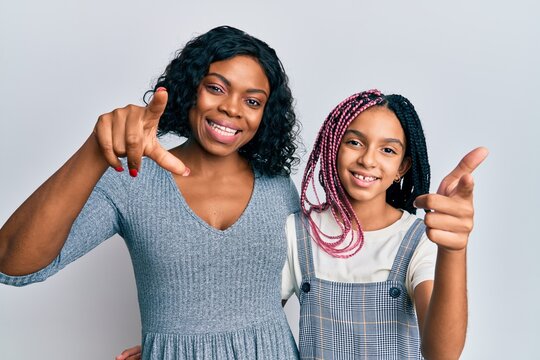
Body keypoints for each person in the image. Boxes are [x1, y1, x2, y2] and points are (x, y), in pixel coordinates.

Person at [0, 26, 302, 359]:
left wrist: (207, 341)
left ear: (265, 114)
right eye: (216, 88)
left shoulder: (278, 187)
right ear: (190, 89)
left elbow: (274, 288)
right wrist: (95, 151)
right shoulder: (132, 180)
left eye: (252, 101)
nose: (233, 108)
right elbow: (13, 263)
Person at [280, 90, 488, 359]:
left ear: (402, 167)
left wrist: (454, 250)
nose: (368, 160)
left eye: (388, 150)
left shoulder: (417, 240)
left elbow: (442, 354)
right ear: (334, 147)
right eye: (355, 142)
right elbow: (256, 325)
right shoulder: (297, 232)